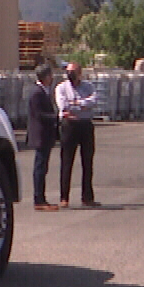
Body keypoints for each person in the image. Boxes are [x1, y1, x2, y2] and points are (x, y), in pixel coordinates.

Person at [55, 61, 100, 207]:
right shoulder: (61, 87)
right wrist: (80, 104)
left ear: (79, 73)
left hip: (85, 125)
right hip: (69, 127)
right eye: (68, 72)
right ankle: (64, 197)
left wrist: (77, 103)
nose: (70, 74)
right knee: (67, 161)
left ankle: (87, 197)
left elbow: (94, 101)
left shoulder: (88, 86)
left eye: (73, 72)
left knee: (87, 162)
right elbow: (63, 106)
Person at [26, 62, 60, 210]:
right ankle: (38, 199)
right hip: (40, 135)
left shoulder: (44, 91)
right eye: (50, 75)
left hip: (46, 135)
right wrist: (57, 117)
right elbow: (39, 115)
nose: (52, 78)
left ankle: (42, 198)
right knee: (39, 168)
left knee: (43, 168)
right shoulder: (37, 92)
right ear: (45, 76)